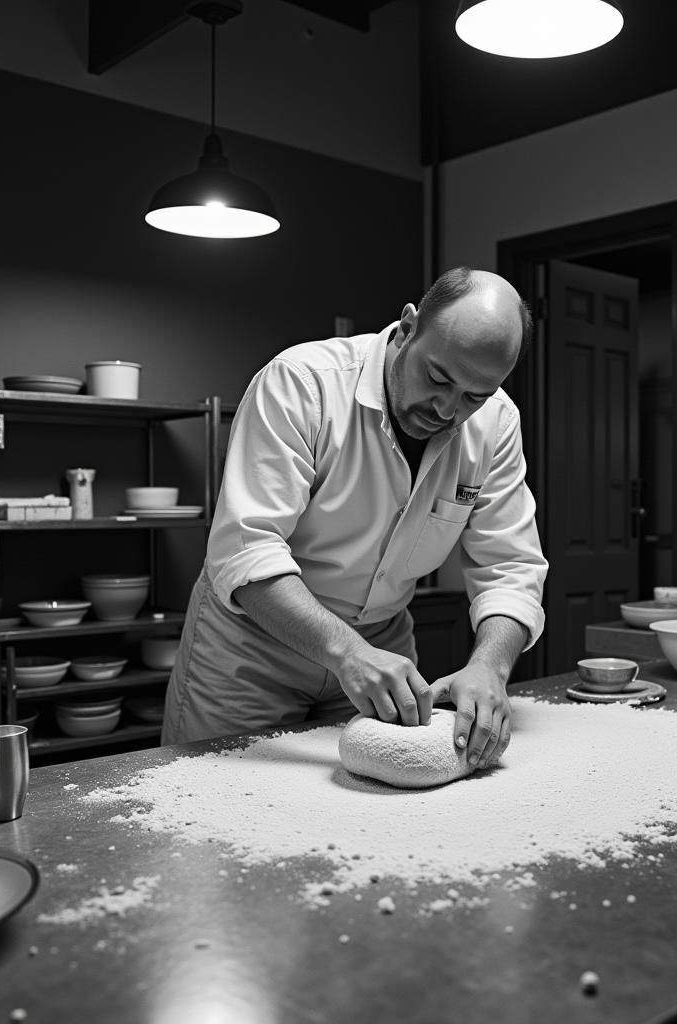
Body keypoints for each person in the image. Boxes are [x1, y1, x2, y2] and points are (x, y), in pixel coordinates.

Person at [162, 267, 548, 770]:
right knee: (220, 818)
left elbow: (511, 569)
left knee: (369, 821)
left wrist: (490, 667)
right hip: (251, 651)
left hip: (382, 650)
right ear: (408, 327)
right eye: (437, 378)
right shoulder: (303, 383)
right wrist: (346, 652)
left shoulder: (497, 421)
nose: (448, 409)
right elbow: (246, 549)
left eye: (474, 396)